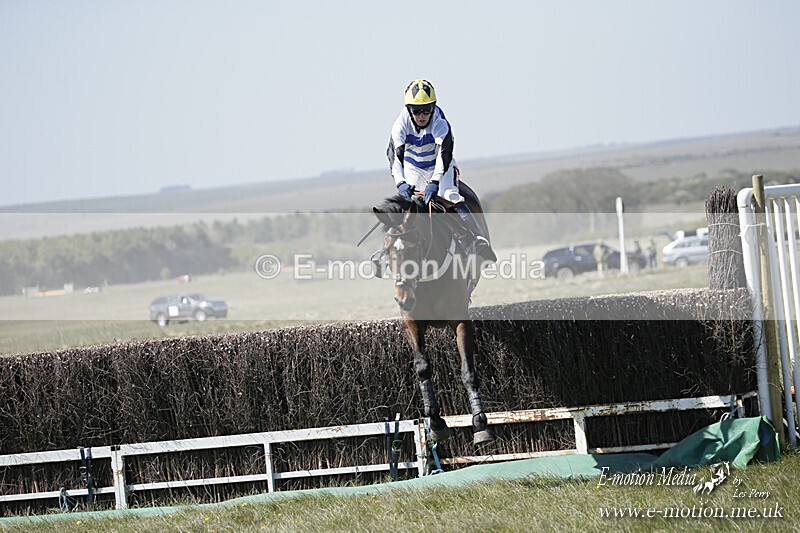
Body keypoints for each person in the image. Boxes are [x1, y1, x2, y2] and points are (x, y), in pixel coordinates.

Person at [386, 79, 496, 264]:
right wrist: (400, 182)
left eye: (426, 110)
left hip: (440, 166)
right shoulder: (399, 125)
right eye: (416, 111)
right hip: (413, 167)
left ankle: (477, 240)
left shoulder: (440, 123)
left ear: (433, 107)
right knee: (407, 206)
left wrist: (434, 183)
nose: (422, 115)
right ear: (409, 110)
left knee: (450, 194)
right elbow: (395, 158)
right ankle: (387, 250)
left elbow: (443, 157)